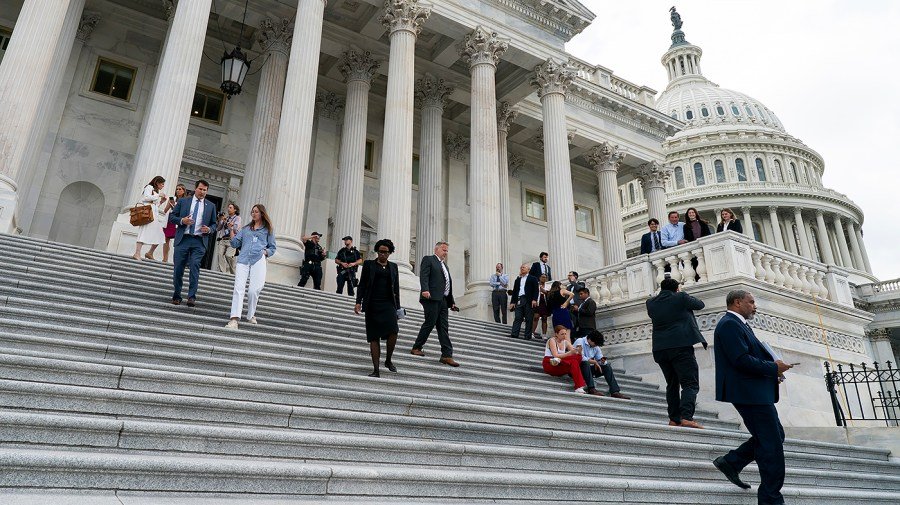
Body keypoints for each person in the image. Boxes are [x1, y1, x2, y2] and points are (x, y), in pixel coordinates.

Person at [712, 290, 793, 505]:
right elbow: (741, 360)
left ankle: (732, 462)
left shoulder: (739, 325)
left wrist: (772, 371)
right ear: (737, 302)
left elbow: (749, 357)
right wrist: (773, 368)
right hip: (748, 393)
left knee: (775, 436)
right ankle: (770, 499)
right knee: (771, 444)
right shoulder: (729, 324)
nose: (755, 306)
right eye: (751, 302)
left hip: (754, 391)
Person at [645, 277, 707, 428]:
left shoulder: (651, 302)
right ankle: (686, 417)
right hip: (680, 346)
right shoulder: (681, 297)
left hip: (660, 349)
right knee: (690, 383)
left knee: (672, 384)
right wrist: (682, 294)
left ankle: (674, 418)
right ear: (677, 288)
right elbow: (700, 304)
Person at [354, 238, 401, 378]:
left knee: (394, 331)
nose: (382, 254)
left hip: (388, 304)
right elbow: (362, 284)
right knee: (374, 336)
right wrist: (358, 302)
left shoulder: (394, 267)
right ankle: (376, 370)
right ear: (377, 251)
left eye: (385, 252)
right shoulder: (369, 265)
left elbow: (396, 288)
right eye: (380, 251)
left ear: (390, 253)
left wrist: (398, 308)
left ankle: (388, 360)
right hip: (372, 303)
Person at [225, 204, 276, 329]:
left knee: (254, 290)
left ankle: (251, 314)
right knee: (238, 288)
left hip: (258, 260)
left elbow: (272, 247)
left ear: (262, 213)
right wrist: (231, 230)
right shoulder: (246, 229)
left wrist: (265, 252)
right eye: (252, 211)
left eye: (256, 211)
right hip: (243, 260)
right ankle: (234, 319)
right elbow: (235, 243)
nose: (254, 213)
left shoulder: (268, 229)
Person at [169, 180, 217, 307]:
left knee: (195, 266)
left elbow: (214, 224)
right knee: (178, 268)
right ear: (195, 188)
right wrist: (182, 220)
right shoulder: (183, 201)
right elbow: (172, 217)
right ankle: (177, 295)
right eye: (200, 189)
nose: (202, 192)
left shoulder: (211, 206)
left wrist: (209, 229)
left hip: (199, 241)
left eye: (205, 190)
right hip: (183, 239)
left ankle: (191, 297)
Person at [411, 241, 460, 367]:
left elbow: (447, 285)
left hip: (443, 300)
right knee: (430, 322)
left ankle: (446, 355)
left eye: (447, 250)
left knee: (443, 327)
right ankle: (417, 347)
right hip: (431, 297)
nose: (446, 253)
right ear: (436, 249)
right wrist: (425, 289)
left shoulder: (445, 266)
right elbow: (424, 275)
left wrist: (451, 302)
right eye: (444, 250)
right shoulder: (429, 260)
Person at [573, 330, 630, 399]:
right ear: (590, 339)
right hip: (577, 369)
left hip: (588, 370)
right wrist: (594, 362)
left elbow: (600, 358)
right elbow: (580, 357)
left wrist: (602, 361)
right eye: (595, 344)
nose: (596, 346)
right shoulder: (580, 341)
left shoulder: (595, 347)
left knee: (607, 367)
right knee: (585, 363)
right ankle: (591, 388)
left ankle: (615, 391)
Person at [542, 325, 586, 394]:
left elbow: (574, 352)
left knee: (577, 358)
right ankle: (579, 386)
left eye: (565, 334)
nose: (564, 336)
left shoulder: (566, 342)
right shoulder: (552, 340)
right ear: (556, 334)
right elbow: (555, 355)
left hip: (560, 363)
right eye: (562, 334)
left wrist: (579, 351)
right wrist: (569, 353)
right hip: (550, 363)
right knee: (573, 362)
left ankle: (579, 387)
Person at [133, 176, 167, 261]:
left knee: (160, 234)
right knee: (143, 232)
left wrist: (161, 202)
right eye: (162, 184)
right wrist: (158, 195)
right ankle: (137, 253)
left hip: (154, 215)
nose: (163, 186)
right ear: (157, 183)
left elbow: (154, 205)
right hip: (147, 214)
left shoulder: (155, 191)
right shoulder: (149, 187)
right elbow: (146, 198)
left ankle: (150, 253)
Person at [508, 263, 539, 340]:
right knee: (518, 317)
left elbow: (536, 290)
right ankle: (514, 334)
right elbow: (515, 291)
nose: (522, 268)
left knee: (529, 318)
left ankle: (527, 336)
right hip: (519, 299)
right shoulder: (518, 279)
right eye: (521, 267)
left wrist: (534, 299)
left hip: (529, 300)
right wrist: (512, 302)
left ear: (528, 269)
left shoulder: (533, 278)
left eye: (524, 267)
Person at [162, 184, 186, 263]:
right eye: (177, 189)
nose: (178, 191)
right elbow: (165, 210)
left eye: (180, 189)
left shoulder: (185, 201)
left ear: (183, 191)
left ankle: (177, 260)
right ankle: (165, 258)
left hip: (179, 221)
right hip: (170, 220)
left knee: (179, 240)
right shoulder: (172, 199)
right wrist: (170, 204)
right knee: (167, 239)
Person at [217, 203, 241, 274]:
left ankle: (233, 273)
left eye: (230, 208)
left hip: (232, 240)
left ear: (235, 210)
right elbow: (218, 228)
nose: (228, 209)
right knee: (220, 254)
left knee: (229, 256)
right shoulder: (226, 218)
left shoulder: (237, 218)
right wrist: (220, 220)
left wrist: (227, 222)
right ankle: (222, 272)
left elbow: (236, 229)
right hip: (223, 239)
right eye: (228, 207)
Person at [532, 274, 550, 339]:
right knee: (536, 317)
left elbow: (549, 294)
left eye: (545, 277)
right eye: (542, 277)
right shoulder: (536, 285)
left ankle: (544, 334)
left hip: (545, 303)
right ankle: (532, 332)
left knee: (544, 318)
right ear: (539, 278)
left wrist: (544, 291)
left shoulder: (548, 286)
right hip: (537, 302)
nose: (544, 278)